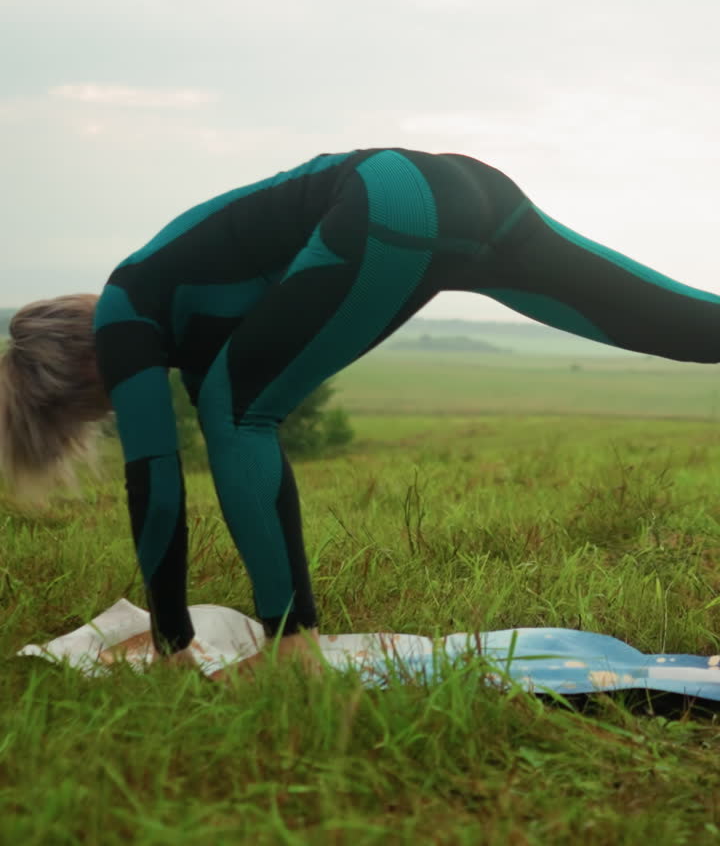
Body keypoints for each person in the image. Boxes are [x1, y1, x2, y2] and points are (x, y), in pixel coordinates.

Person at [2, 147, 719, 674]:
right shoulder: (180, 313)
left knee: (237, 412)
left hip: (392, 203)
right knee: (689, 328)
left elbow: (157, 484)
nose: (103, 417)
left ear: (77, 373)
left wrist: (171, 644)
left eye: (83, 413)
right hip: (468, 191)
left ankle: (293, 653)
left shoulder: (122, 314)